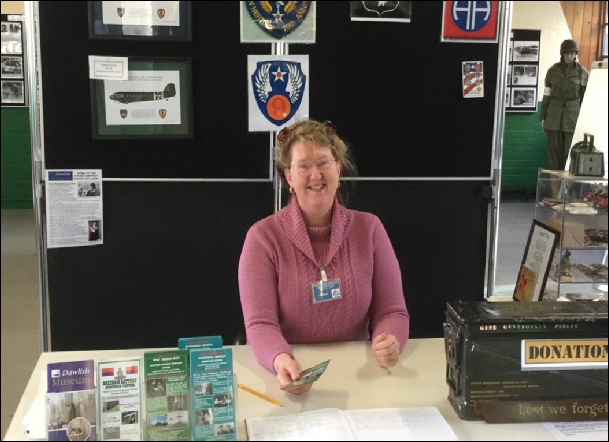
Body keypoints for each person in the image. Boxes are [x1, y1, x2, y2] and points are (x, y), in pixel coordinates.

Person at [238, 119, 410, 394]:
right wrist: (281, 360)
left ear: (338, 169)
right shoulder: (262, 238)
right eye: (304, 166)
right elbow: (260, 324)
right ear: (289, 177)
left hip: (362, 375)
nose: (315, 175)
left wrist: (389, 341)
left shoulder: (370, 229)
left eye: (324, 163)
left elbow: (393, 312)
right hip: (294, 373)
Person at [540, 39, 589, 172]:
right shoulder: (552, 71)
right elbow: (547, 94)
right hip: (553, 115)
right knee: (553, 155)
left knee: (570, 154)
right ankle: (555, 191)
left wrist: (584, 120)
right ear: (562, 54)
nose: (569, 56)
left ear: (576, 54)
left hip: (573, 116)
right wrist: (543, 116)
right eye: (566, 53)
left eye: (572, 53)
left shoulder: (582, 73)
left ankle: (567, 190)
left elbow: (585, 98)